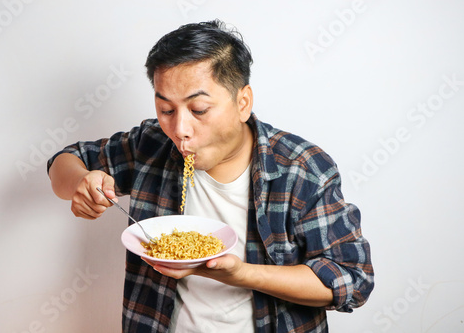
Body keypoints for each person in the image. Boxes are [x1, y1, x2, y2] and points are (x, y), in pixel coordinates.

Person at [47, 19, 374, 333]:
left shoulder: (303, 170)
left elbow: (351, 278)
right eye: (166, 110)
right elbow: (65, 160)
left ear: (242, 102)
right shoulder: (152, 144)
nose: (180, 130)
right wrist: (82, 183)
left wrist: (240, 274)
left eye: (199, 110)